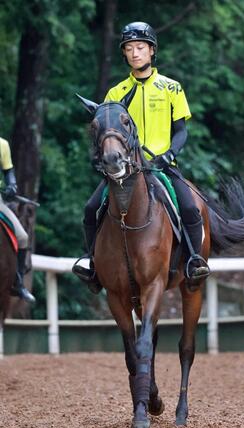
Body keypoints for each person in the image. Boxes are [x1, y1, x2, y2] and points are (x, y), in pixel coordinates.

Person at [73, 21, 209, 292]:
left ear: (151, 51)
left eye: (140, 48)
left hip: (162, 166)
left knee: (191, 208)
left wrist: (167, 154)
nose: (135, 53)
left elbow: (181, 131)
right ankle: (92, 264)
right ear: (124, 54)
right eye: (129, 49)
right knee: (91, 209)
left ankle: (194, 261)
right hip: (125, 169)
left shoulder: (172, 88)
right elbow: (107, 132)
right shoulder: (116, 93)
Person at [0, 137, 36, 303]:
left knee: (22, 237)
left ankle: (18, 283)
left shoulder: (3, 145)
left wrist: (11, 186)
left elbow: (8, 172)